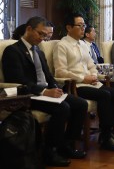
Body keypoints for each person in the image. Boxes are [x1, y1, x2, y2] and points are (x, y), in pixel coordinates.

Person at [3, 16, 88, 167]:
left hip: (47, 93)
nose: (43, 39)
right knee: (63, 108)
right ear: (29, 29)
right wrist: (44, 92)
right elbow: (19, 81)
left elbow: (48, 76)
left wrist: (55, 87)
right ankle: (50, 151)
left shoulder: (39, 52)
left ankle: (66, 144)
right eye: (41, 34)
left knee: (80, 104)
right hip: (29, 96)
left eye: (47, 36)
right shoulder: (13, 51)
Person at [53, 13, 114, 152]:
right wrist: (83, 78)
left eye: (84, 25)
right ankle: (105, 137)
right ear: (69, 27)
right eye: (79, 26)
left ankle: (109, 132)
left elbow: (92, 65)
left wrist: (93, 76)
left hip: (91, 83)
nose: (83, 28)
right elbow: (60, 72)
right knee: (105, 95)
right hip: (76, 86)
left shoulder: (83, 45)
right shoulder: (61, 45)